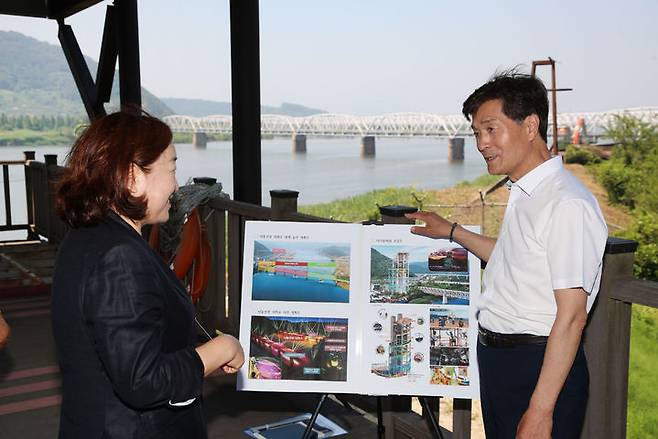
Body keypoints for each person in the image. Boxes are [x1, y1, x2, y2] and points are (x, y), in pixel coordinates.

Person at [407, 72, 607, 438]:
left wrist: (541, 410)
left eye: (491, 129)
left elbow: (573, 316)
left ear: (530, 126)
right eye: (477, 133)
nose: (482, 143)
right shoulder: (528, 191)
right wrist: (452, 231)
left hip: (537, 366)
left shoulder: (567, 203)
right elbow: (514, 258)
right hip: (501, 360)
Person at [51, 111, 244, 439]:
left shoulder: (86, 237)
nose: (176, 184)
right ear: (133, 177)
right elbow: (143, 381)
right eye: (171, 168)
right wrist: (222, 348)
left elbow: (133, 338)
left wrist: (199, 352)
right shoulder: (120, 258)